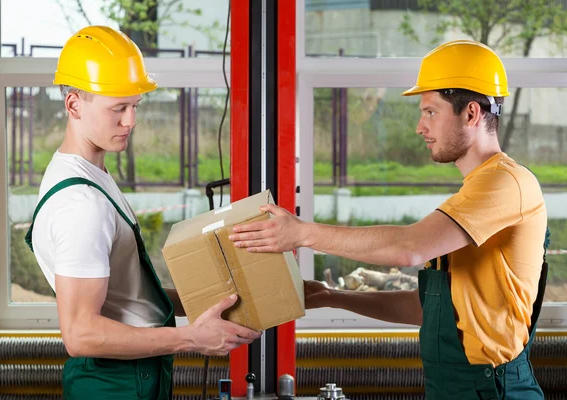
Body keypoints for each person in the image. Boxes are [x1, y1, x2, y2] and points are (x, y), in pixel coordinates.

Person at [230, 40, 549, 400]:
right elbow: (431, 310)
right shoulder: (473, 196)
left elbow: (408, 247)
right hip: (455, 387)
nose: (419, 126)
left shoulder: (505, 183)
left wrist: (302, 234)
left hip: (495, 390)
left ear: (471, 113)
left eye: (430, 112)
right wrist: (333, 296)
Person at [24, 25, 260, 400]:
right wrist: (192, 339)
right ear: (73, 105)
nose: (131, 121)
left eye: (135, 106)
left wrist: (220, 297)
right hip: (115, 382)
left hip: (134, 370)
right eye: (118, 108)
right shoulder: (80, 205)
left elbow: (126, 296)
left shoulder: (89, 173)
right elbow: (80, 333)